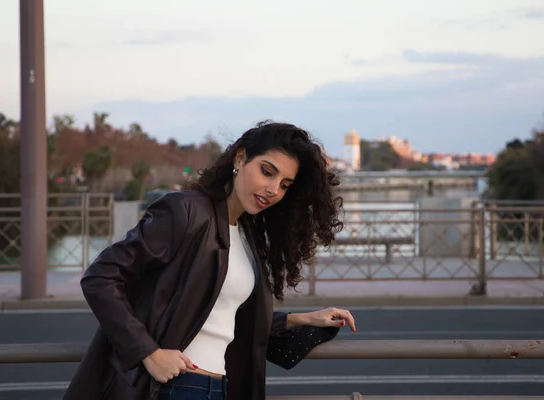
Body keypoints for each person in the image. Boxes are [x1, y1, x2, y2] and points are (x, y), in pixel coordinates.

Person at [63, 121, 357, 400]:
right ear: (240, 159)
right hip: (176, 386)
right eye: (267, 172)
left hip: (218, 387)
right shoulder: (187, 211)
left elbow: (219, 315)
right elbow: (100, 278)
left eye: (284, 184)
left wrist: (303, 319)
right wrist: (149, 353)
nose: (273, 189)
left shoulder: (245, 233)